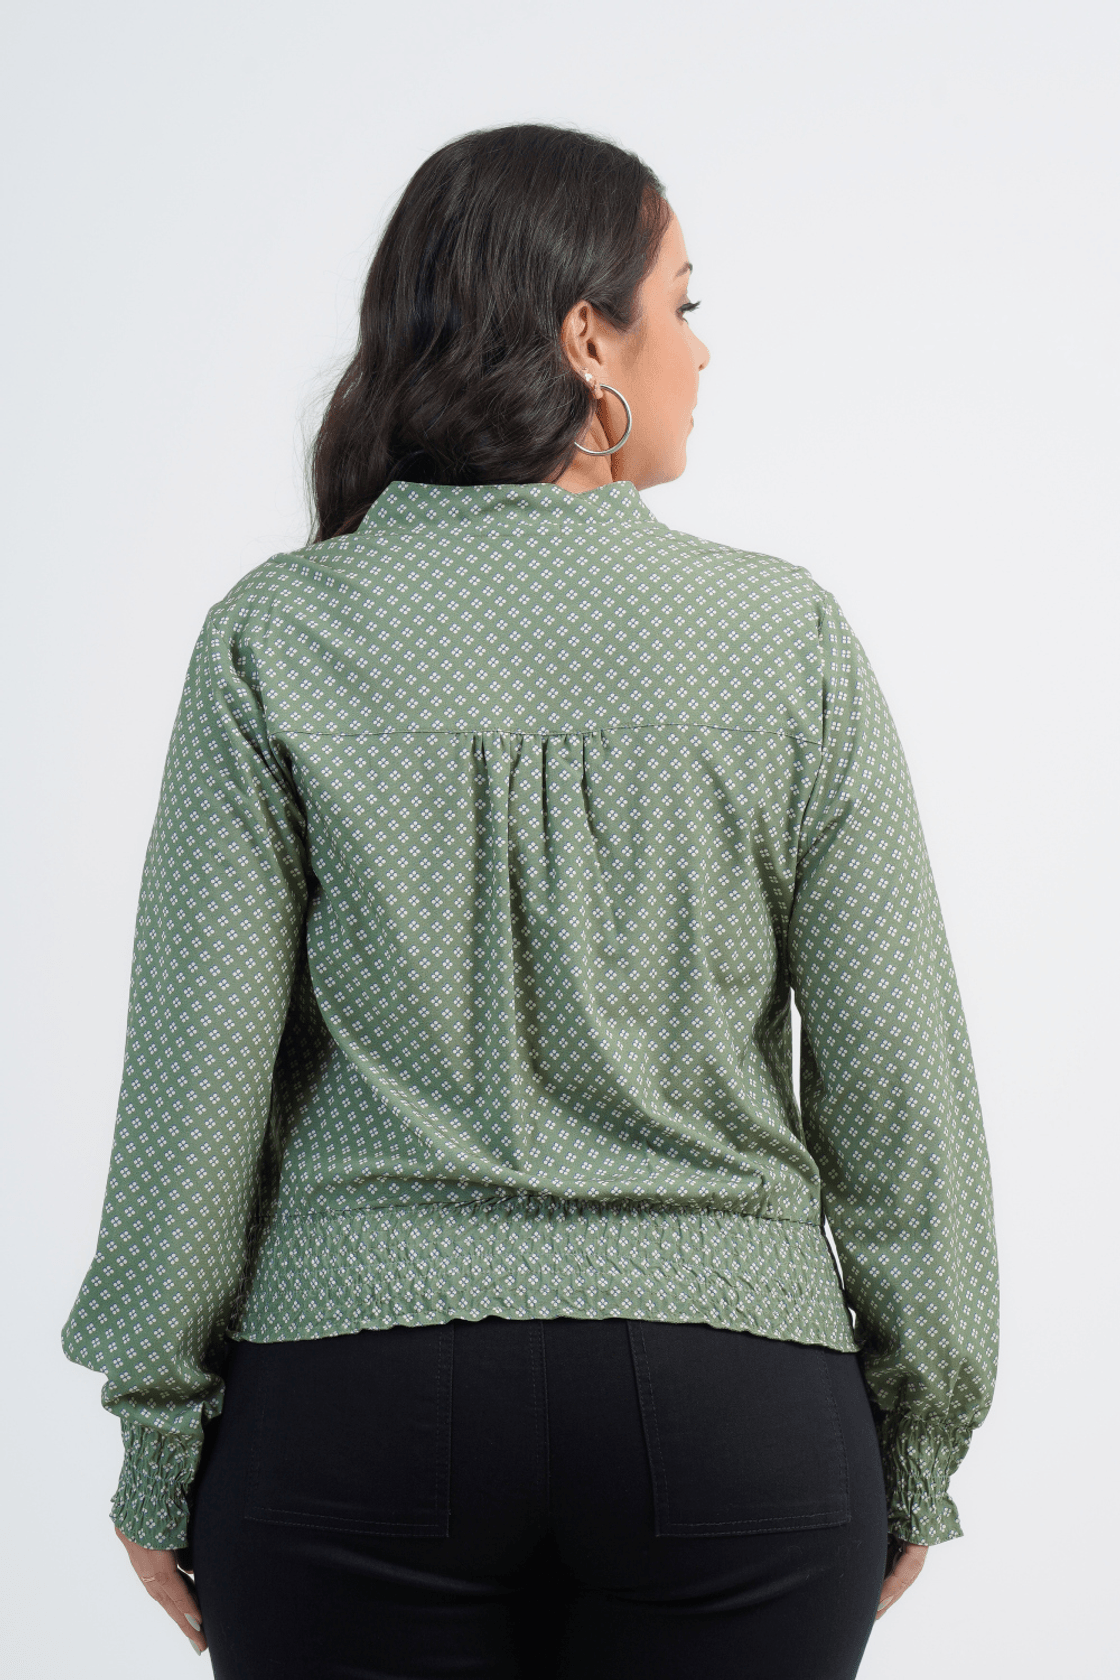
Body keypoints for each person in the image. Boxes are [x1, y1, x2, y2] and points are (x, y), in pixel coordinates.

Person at [62, 122, 999, 1679]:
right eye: (682, 305)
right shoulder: (785, 641)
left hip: (352, 1407)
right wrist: (924, 1428)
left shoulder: (276, 636)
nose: (703, 350)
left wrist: (159, 1437)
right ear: (588, 340)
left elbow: (191, 1084)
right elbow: (899, 1081)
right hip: (737, 1413)